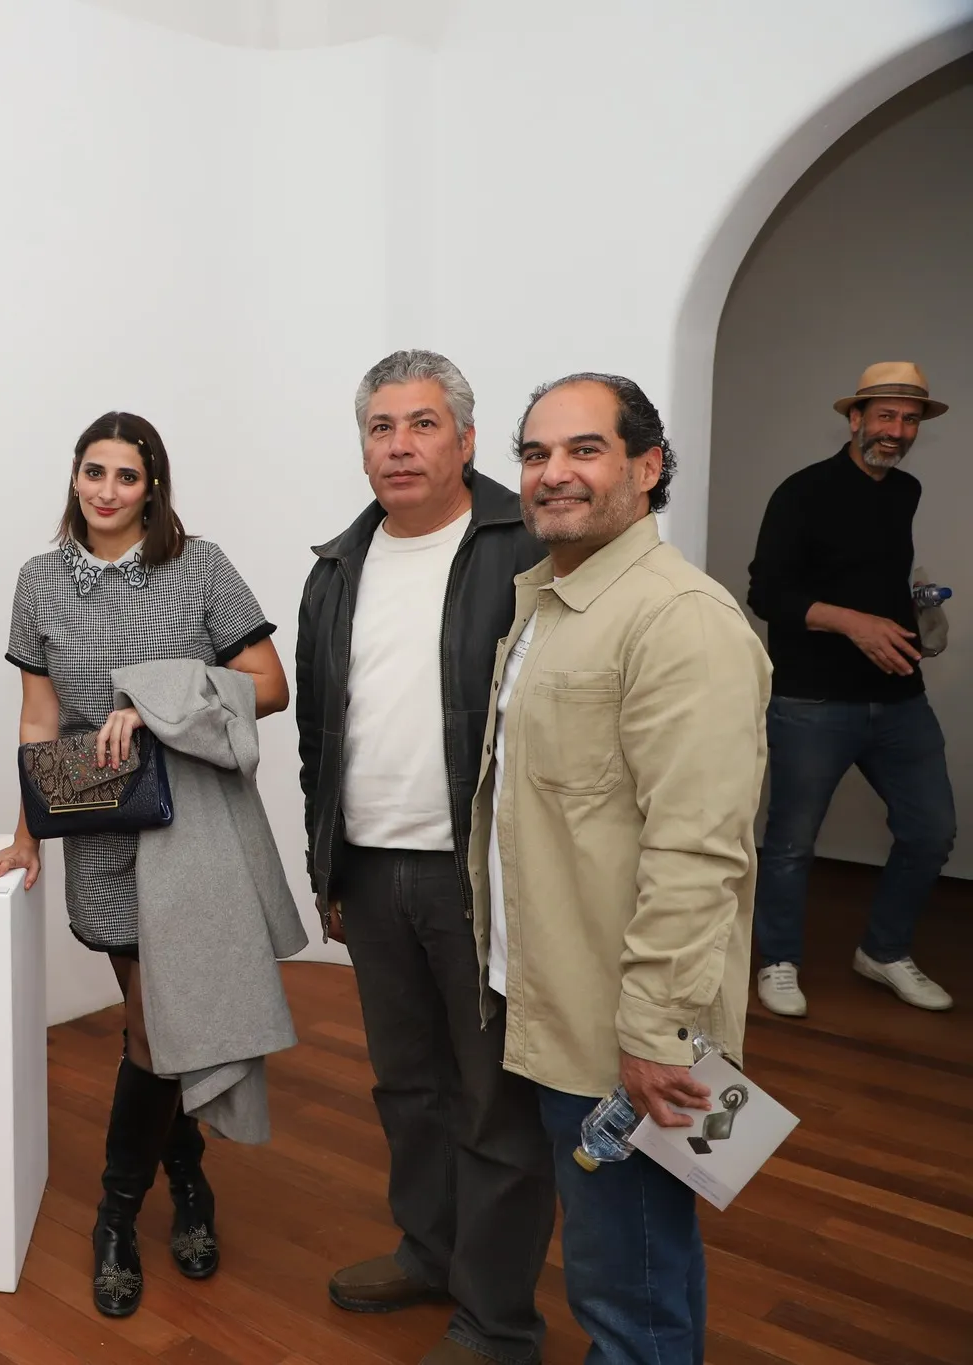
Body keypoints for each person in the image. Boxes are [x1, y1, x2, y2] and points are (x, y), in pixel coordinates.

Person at [471, 374, 769, 1364]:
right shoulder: (551, 602)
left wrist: (655, 1033)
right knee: (623, 1264)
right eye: (535, 453)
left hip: (624, 1028)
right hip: (551, 996)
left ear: (647, 468)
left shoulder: (679, 619)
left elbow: (698, 850)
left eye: (583, 449)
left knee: (628, 1289)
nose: (551, 473)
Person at [0, 412, 291, 1318]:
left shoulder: (201, 566)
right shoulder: (38, 579)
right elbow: (40, 716)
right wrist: (28, 832)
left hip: (188, 819)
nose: (107, 490)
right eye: (93, 471)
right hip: (98, 821)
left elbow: (270, 685)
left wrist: (156, 701)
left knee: (153, 1027)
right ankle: (187, 1178)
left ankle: (116, 1215)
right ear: (74, 477)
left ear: (153, 486)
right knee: (156, 1019)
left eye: (126, 475)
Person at [296, 351, 553, 1365]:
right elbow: (320, 731)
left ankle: (496, 1320)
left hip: (481, 878)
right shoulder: (336, 567)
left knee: (493, 1104)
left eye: (422, 424)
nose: (399, 446)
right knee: (406, 1086)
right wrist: (326, 868)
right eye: (380, 428)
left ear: (466, 439)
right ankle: (429, 1251)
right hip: (370, 872)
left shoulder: (527, 546)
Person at [746, 361, 956, 1016]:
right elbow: (767, 593)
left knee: (931, 832)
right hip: (811, 701)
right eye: (886, 415)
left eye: (910, 419)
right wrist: (854, 622)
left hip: (899, 697)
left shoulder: (905, 491)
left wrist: (915, 606)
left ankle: (884, 951)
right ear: (855, 418)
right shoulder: (801, 492)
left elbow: (870, 573)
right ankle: (779, 960)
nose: (898, 430)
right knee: (790, 844)